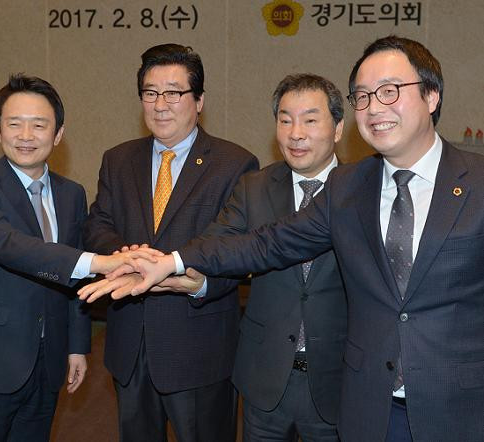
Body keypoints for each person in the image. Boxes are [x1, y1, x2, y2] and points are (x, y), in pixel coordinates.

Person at [88, 35, 484, 442]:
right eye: (363, 96)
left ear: (431, 95)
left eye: (389, 91)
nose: (374, 107)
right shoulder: (351, 187)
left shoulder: (477, 183)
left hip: (456, 406)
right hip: (368, 406)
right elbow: (266, 243)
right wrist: (172, 262)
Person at [0, 74, 155, 442]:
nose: (26, 135)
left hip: (48, 360)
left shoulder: (71, 194)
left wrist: (77, 347)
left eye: (39, 125)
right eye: (14, 124)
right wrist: (100, 262)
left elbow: (73, 283)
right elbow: (11, 246)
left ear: (58, 134)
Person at [82, 43, 259, 442]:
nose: (160, 104)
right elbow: (98, 224)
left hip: (198, 350)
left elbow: (237, 248)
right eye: (150, 92)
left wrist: (198, 282)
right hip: (130, 346)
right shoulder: (117, 159)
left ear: (199, 101)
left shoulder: (234, 164)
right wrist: (126, 257)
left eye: (174, 93)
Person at [204, 73, 347, 441]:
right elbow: (217, 246)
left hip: (337, 380)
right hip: (264, 376)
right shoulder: (254, 187)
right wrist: (182, 270)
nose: (295, 133)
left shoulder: (363, 191)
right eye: (285, 120)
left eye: (310, 120)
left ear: (338, 129)